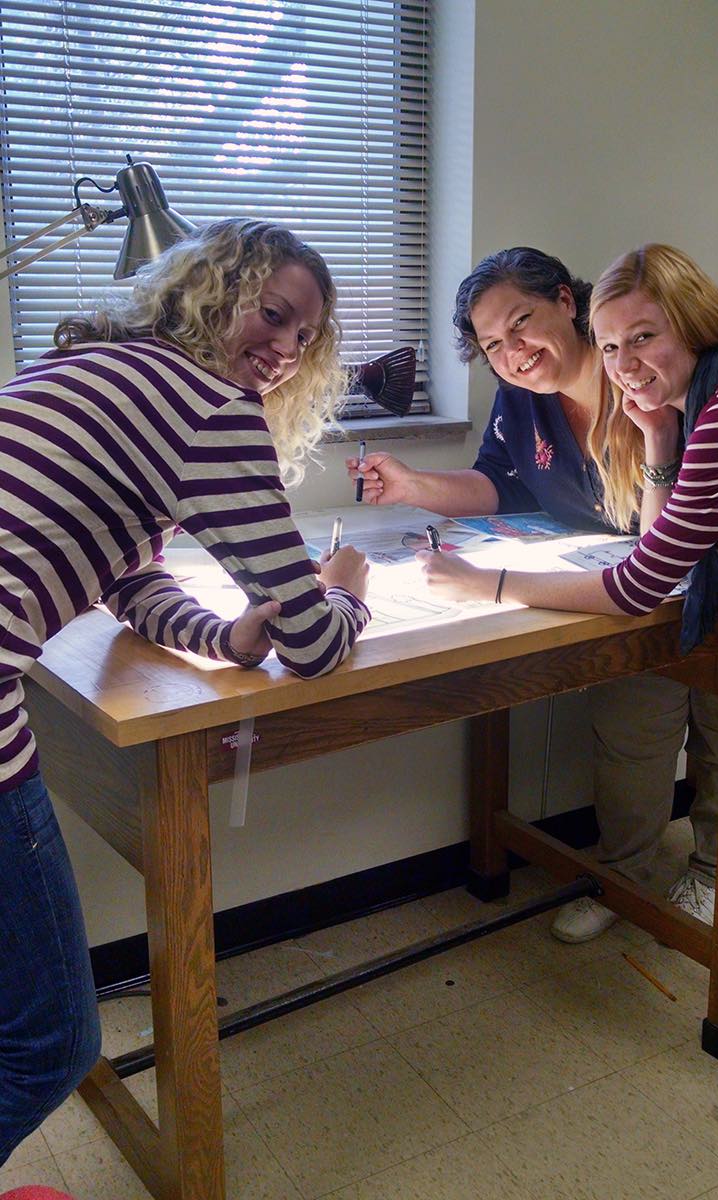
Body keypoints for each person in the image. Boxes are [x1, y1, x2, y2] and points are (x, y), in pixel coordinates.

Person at [416, 242, 718, 1152]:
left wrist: (482, 584)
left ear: (696, 321)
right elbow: (669, 530)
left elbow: (641, 581)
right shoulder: (711, 400)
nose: (627, 362)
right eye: (610, 347)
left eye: (645, 336)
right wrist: (657, 435)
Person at [0, 219, 371, 1164]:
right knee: (52, 1044)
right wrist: (347, 597)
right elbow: (318, 649)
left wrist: (222, 635)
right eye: (274, 316)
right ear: (212, 292)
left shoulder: (108, 369)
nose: (283, 351)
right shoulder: (207, 408)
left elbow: (127, 575)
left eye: (303, 340)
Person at [349, 246, 718, 937]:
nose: (513, 352)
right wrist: (416, 487)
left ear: (566, 302)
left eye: (521, 324)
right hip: (632, 594)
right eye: (492, 344)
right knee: (630, 739)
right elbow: (504, 485)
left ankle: (714, 876)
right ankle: (621, 873)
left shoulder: (709, 367)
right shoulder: (524, 398)